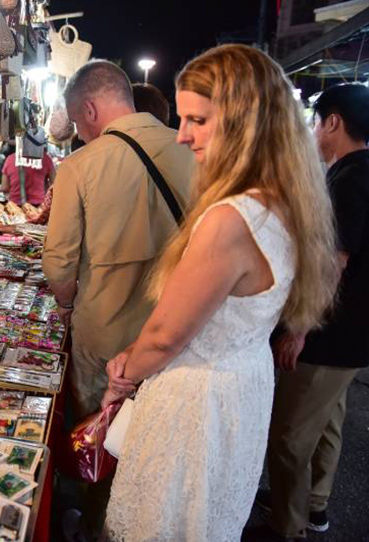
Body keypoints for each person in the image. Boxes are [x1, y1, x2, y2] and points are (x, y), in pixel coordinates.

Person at [102, 44, 339, 542]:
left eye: (198, 120)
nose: (183, 135)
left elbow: (167, 335)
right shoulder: (285, 202)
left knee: (167, 522)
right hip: (241, 386)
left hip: (198, 399)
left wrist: (124, 374)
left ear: (245, 121)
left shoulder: (231, 218)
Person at [250, 84, 369, 542]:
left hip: (329, 334)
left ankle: (288, 524)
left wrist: (298, 329)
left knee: (290, 436)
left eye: (317, 122)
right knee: (326, 425)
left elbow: (332, 264)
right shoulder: (356, 172)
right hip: (350, 336)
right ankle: (312, 505)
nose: (314, 132)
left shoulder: (350, 179)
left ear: (333, 122)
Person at [43, 60, 193, 421]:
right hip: (177, 331)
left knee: (94, 430)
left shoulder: (79, 166)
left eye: (78, 123)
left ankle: (93, 481)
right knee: (155, 429)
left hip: (103, 334)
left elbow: (59, 261)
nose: (79, 133)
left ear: (90, 109)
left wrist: (65, 306)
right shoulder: (195, 155)